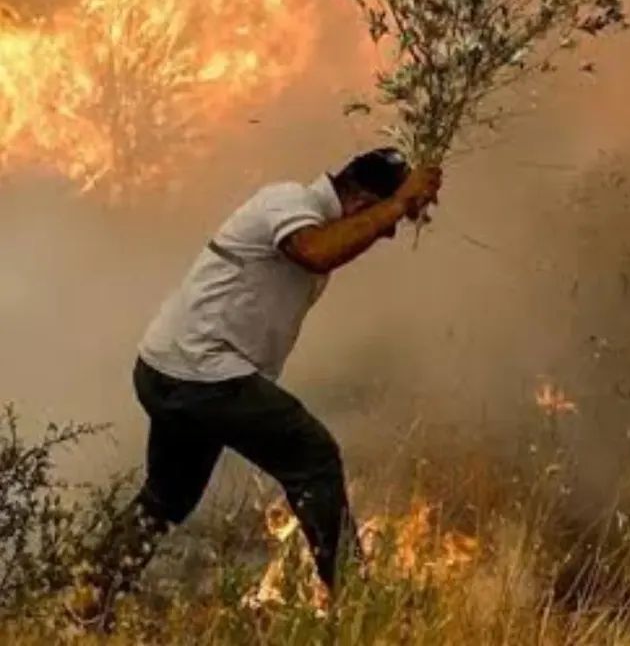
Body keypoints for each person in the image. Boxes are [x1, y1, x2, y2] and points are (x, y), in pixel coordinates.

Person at [68, 147, 442, 627]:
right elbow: (315, 250)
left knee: (168, 496)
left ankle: (86, 604)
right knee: (314, 457)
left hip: (170, 370)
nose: (388, 232)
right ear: (361, 200)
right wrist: (398, 203)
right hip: (201, 374)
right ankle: (360, 613)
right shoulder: (285, 201)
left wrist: (402, 200)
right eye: (385, 217)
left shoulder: (308, 214)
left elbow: (329, 245)